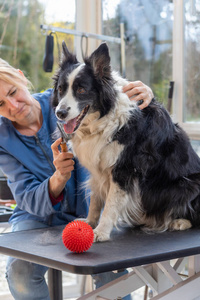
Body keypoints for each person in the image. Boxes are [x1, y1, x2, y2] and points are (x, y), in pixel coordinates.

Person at [0, 57, 154, 300]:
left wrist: (144, 93)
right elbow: (27, 198)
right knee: (20, 272)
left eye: (13, 91)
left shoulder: (69, 99)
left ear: (21, 76)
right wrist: (58, 177)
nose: (13, 105)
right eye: (0, 103)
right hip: (36, 217)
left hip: (90, 208)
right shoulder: (2, 137)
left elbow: (114, 96)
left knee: (109, 269)